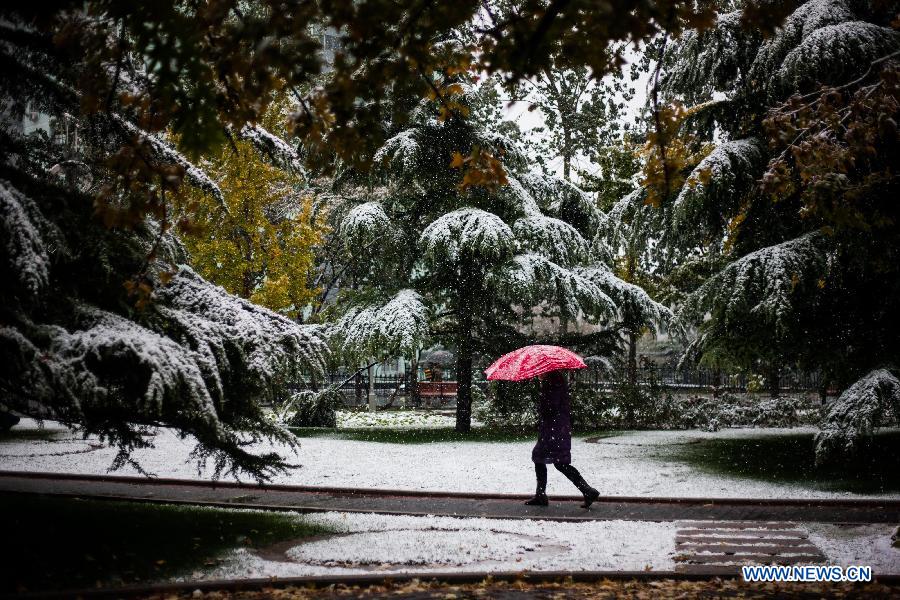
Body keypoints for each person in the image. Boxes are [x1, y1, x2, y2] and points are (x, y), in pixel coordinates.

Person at [525, 370, 600, 508]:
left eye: (539, 372)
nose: (537, 374)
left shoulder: (553, 384)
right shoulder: (555, 382)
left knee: (555, 461)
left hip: (554, 429)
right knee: (547, 458)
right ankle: (586, 491)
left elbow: (551, 407)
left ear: (546, 371)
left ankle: (587, 491)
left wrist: (541, 404)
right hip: (556, 428)